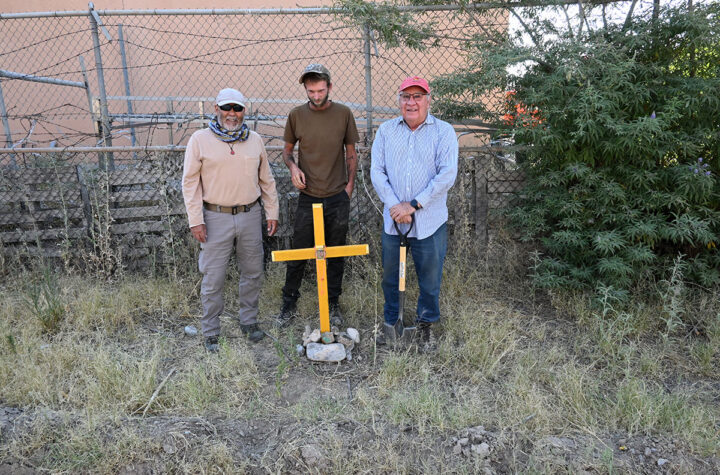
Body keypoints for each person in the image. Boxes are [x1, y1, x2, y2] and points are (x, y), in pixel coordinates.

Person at [182, 88, 279, 352]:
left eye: (237, 108)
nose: (232, 114)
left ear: (244, 111)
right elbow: (190, 183)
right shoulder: (200, 140)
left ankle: (249, 322)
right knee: (213, 277)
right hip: (215, 217)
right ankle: (211, 331)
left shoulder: (255, 140)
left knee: (253, 272)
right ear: (216, 109)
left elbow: (266, 180)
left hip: (250, 215)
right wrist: (196, 220)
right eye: (227, 108)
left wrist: (271, 212)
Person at [370, 76, 458, 348]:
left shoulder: (443, 132)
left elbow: (446, 175)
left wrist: (414, 205)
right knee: (390, 277)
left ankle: (426, 324)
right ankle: (392, 321)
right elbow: (377, 171)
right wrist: (396, 206)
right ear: (399, 101)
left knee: (429, 278)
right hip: (394, 222)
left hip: (429, 222)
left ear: (428, 101)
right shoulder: (386, 131)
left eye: (418, 96)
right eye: (406, 96)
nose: (411, 102)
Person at [275, 64, 360, 328]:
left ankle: (333, 304)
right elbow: (287, 152)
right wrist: (293, 168)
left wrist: (349, 188)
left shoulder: (344, 114)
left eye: (320, 90)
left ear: (330, 87)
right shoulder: (296, 115)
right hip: (308, 196)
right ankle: (289, 303)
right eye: (310, 91)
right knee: (298, 251)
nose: (315, 95)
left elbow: (351, 153)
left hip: (337, 196)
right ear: (305, 89)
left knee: (335, 253)